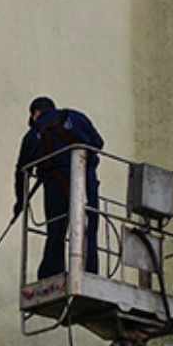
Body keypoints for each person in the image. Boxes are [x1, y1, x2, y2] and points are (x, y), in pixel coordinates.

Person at [14, 96, 104, 280]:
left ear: (35, 114)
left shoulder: (33, 135)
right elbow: (98, 143)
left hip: (56, 186)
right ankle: (90, 272)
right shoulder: (77, 117)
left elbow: (22, 171)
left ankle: (51, 274)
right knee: (89, 228)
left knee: (56, 231)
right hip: (87, 183)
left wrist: (20, 202)